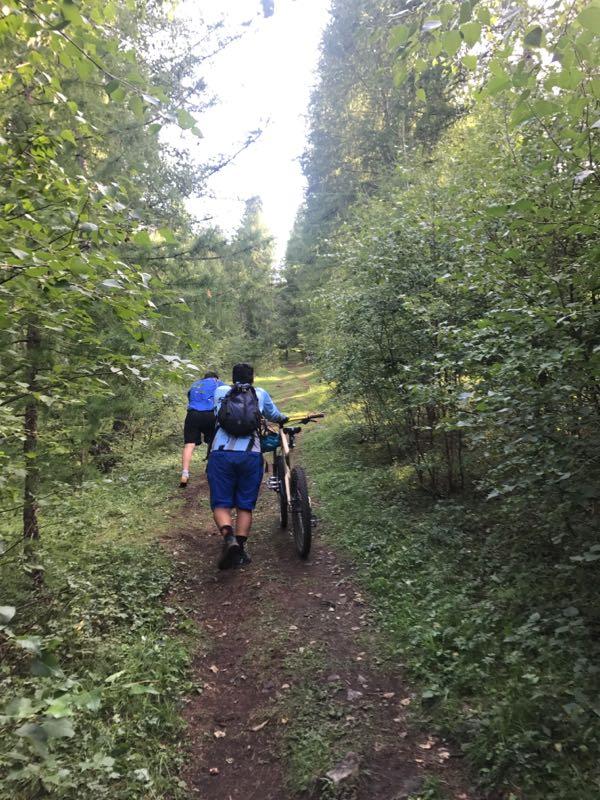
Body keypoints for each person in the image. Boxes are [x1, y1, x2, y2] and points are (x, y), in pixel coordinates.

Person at [208, 362, 287, 570]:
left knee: (221, 503)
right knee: (245, 505)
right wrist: (283, 419)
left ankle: (229, 538)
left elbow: (213, 413)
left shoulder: (221, 391)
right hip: (250, 455)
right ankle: (240, 550)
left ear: (232, 378)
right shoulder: (259, 393)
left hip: (221, 454)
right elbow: (275, 416)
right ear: (253, 378)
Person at [180, 371, 224, 488]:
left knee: (189, 444)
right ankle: (212, 468)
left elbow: (190, 398)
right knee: (213, 441)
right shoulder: (218, 383)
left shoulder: (196, 384)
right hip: (210, 414)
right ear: (215, 377)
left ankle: (185, 473)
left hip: (193, 414)